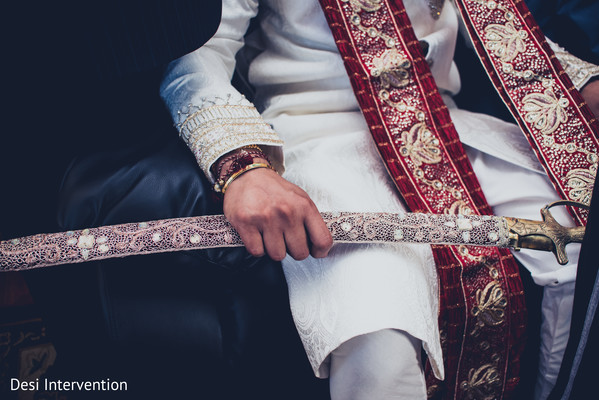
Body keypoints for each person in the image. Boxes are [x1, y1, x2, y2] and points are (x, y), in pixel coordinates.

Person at [160, 0, 599, 398]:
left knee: (581, 248)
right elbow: (197, 55)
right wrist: (242, 167)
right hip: (319, 131)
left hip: (446, 125)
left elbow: (500, 31)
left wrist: (583, 82)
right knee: (377, 333)